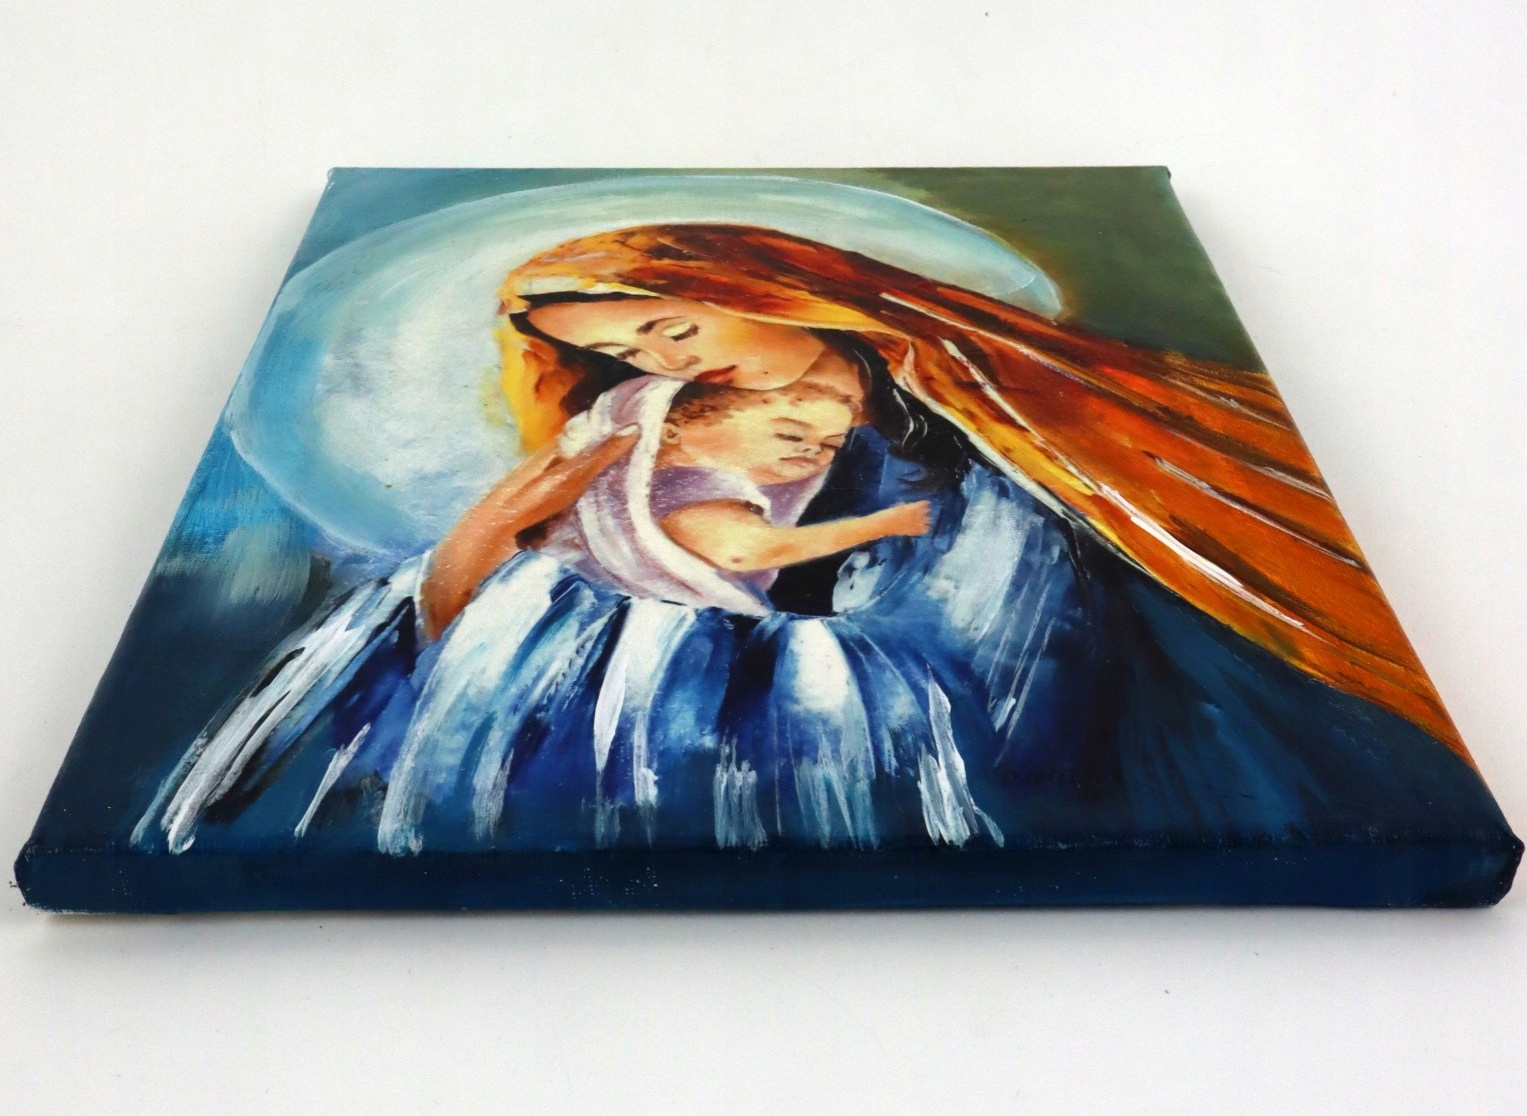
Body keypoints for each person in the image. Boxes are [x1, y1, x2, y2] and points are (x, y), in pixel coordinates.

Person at [134, 222, 1501, 859]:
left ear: (774, 286)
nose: (661, 364)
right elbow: (503, 555)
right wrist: (484, 585)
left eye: (672, 325)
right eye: (627, 353)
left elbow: (978, 674)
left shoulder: (976, 440)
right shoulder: (660, 442)